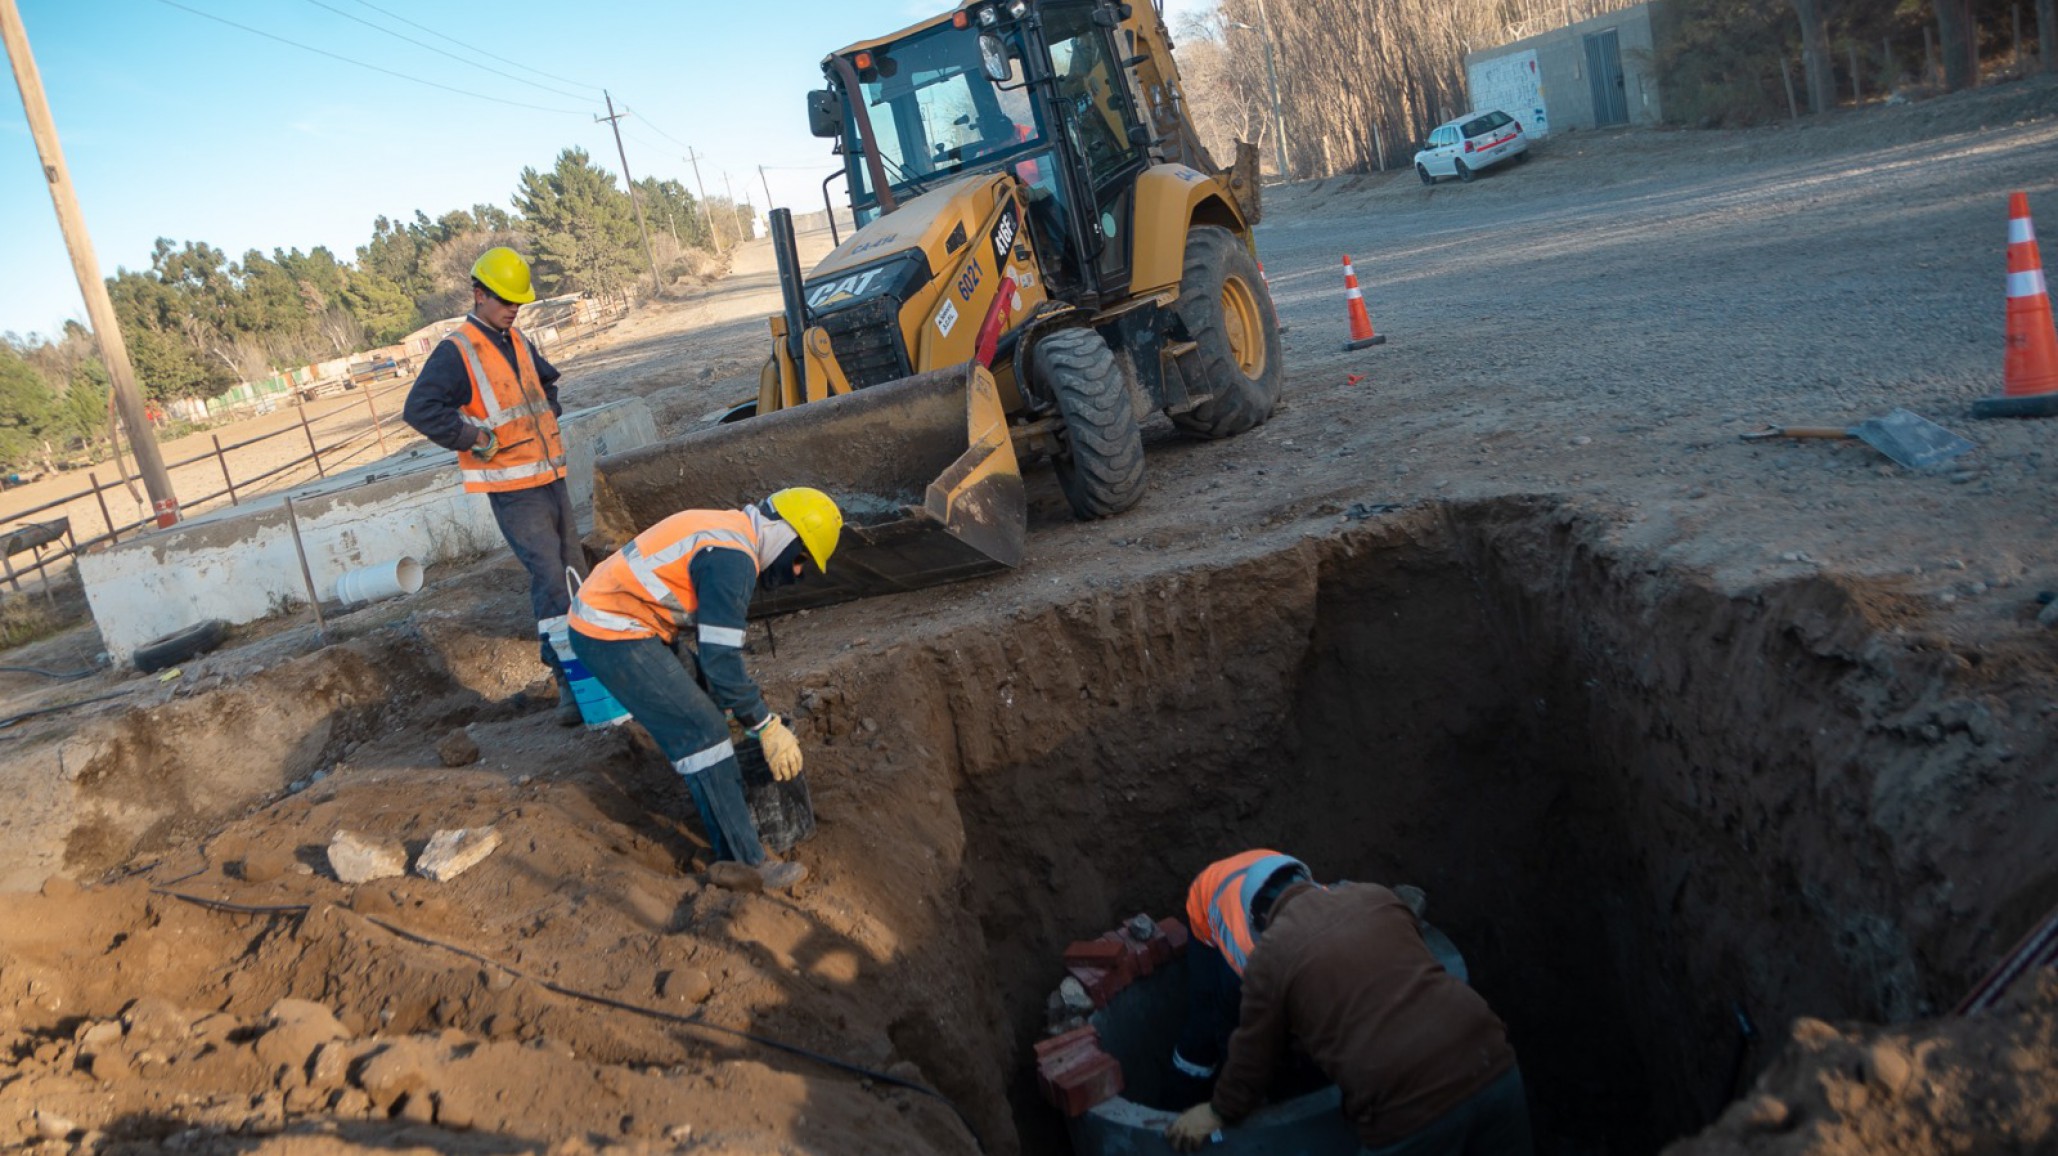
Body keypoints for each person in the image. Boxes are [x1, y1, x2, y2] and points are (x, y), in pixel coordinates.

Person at [1166, 851, 1531, 1156]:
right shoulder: (1376, 896)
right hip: (1493, 1064)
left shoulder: (1271, 955)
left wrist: (1218, 1110)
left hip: (1409, 1109)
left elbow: (1252, 1055)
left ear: (1260, 921)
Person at [567, 488, 842, 891]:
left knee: (715, 707)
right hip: (610, 631)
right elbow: (721, 660)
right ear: (786, 536)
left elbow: (716, 656)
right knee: (704, 733)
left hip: (635, 622)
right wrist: (764, 726)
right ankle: (745, 862)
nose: (797, 573)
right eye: (800, 559)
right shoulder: (733, 560)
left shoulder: (731, 535)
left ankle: (731, 807)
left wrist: (739, 710)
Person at [403, 247, 585, 724]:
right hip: (513, 488)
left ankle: (594, 667)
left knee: (574, 574)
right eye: (504, 299)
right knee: (550, 581)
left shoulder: (518, 340)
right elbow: (421, 409)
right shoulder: (458, 349)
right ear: (479, 294)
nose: (513, 308)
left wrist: (551, 410)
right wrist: (472, 437)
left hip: (550, 477)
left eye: (517, 301)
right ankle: (569, 682)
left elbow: (547, 385)